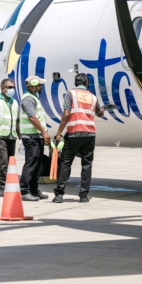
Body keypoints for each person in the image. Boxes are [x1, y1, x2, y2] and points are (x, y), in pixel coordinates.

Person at [52, 73, 106, 204]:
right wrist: (103, 109)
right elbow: (99, 113)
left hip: (74, 133)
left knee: (66, 163)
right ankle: (83, 196)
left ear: (75, 83)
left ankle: (59, 195)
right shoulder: (93, 97)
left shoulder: (70, 94)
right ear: (87, 83)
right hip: (89, 134)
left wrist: (59, 132)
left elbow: (66, 115)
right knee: (87, 165)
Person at [19, 75, 51, 201]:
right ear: (32, 84)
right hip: (31, 137)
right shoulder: (28, 99)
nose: (41, 86)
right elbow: (32, 117)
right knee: (31, 163)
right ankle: (24, 190)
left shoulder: (34, 98)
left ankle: (33, 189)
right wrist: (44, 132)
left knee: (37, 164)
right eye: (39, 84)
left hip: (36, 136)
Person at [0, 78, 20, 197]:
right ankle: (2, 186)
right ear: (3, 88)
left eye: (13, 87)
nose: (12, 90)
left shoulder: (15, 102)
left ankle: (3, 184)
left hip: (12, 137)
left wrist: (20, 137)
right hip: (0, 136)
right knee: (3, 161)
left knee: (10, 163)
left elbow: (17, 121)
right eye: (10, 87)